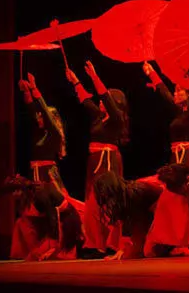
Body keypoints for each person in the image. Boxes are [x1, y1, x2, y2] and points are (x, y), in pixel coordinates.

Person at [65, 61, 129, 258]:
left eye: (107, 99)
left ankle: (111, 242)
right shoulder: (99, 118)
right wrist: (75, 81)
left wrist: (94, 76)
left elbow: (104, 97)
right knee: (92, 201)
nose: (101, 101)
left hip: (108, 160)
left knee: (108, 201)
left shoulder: (117, 119)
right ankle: (96, 243)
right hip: (95, 161)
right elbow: (86, 100)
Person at [143, 61, 189, 169]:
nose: (174, 93)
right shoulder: (178, 111)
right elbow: (165, 93)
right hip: (175, 156)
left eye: (179, 90)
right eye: (174, 91)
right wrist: (151, 73)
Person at [3, 176, 83, 261]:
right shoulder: (29, 197)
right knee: (20, 222)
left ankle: (42, 251)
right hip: (50, 223)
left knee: (42, 256)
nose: (12, 195)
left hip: (64, 222)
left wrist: (52, 239)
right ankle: (27, 253)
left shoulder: (39, 195)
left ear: (19, 190)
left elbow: (52, 215)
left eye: (13, 191)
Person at [92, 171, 164, 260]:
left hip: (164, 206)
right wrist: (123, 249)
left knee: (146, 251)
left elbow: (134, 223)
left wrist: (125, 250)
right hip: (151, 209)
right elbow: (128, 222)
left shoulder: (133, 193)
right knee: (134, 252)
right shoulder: (124, 197)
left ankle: (172, 245)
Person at [18, 73, 67, 193]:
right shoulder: (39, 131)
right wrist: (26, 91)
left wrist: (34, 88)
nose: (38, 118)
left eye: (41, 117)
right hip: (35, 172)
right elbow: (31, 108)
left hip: (48, 174)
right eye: (38, 116)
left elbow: (44, 110)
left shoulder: (55, 134)